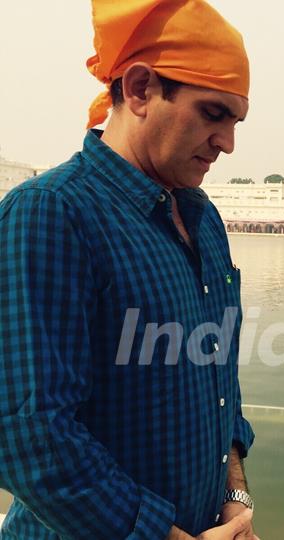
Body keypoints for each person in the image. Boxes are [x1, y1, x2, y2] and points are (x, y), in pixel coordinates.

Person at [0, 1, 258, 539]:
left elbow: (220, 386)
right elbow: (29, 432)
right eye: (213, 114)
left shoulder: (203, 219)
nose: (228, 144)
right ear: (140, 88)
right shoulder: (53, 213)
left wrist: (234, 498)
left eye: (235, 122)